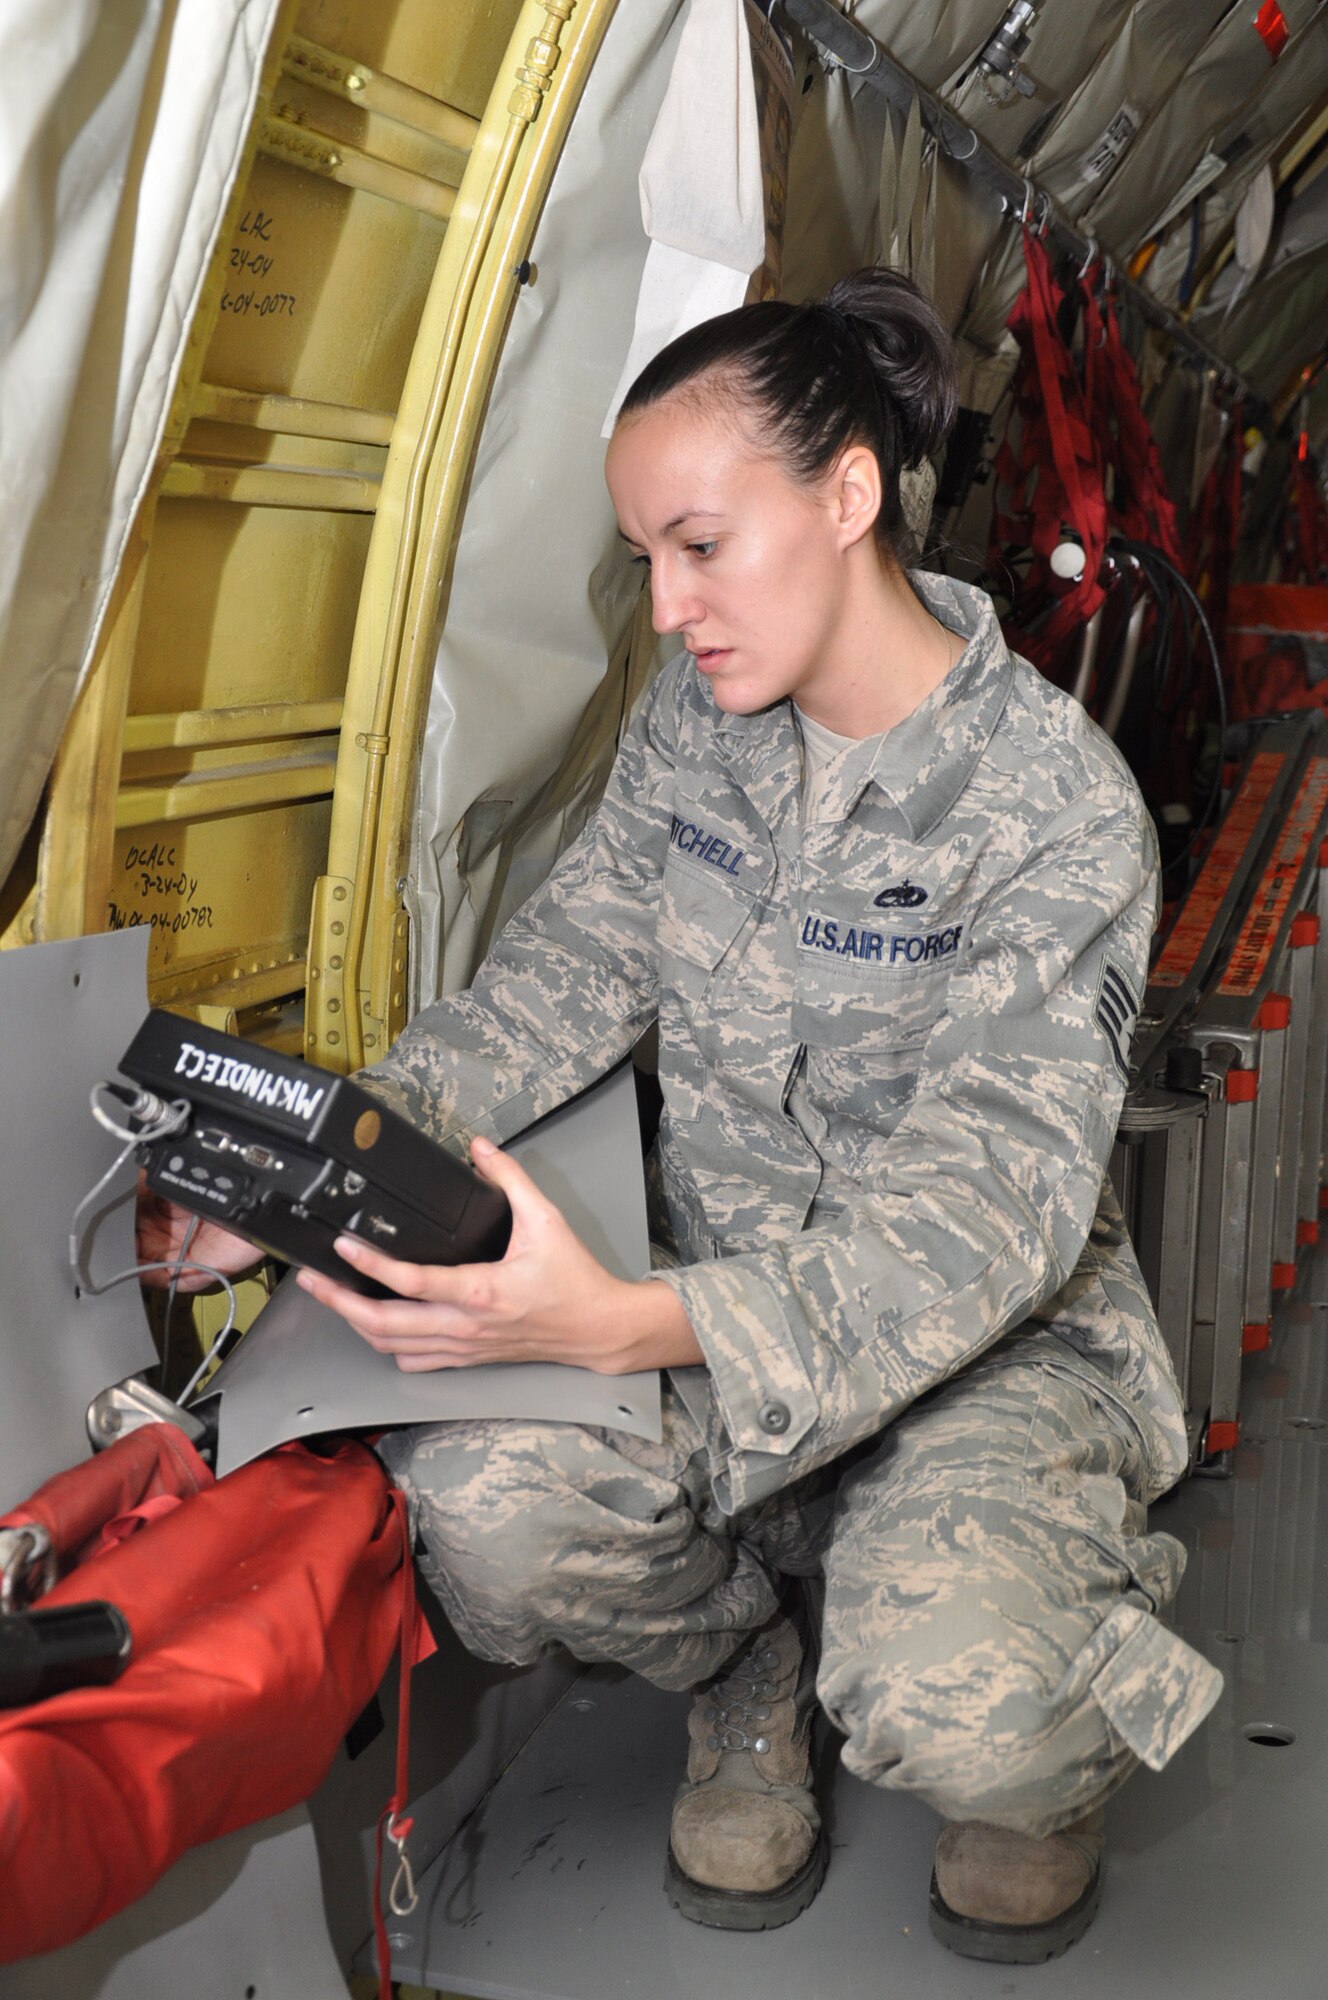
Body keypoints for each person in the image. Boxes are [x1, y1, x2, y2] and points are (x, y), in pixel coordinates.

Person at [140, 268, 1221, 1964]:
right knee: (486, 1516)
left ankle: (1055, 1707)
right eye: (645, 557)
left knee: (974, 1704)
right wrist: (299, 1169)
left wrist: (630, 1320)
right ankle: (746, 1670)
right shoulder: (694, 738)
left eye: (700, 546)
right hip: (703, 1299)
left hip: (984, 1348)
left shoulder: (1056, 809)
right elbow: (552, 987)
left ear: (849, 494)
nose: (666, 605)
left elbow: (988, 1215)